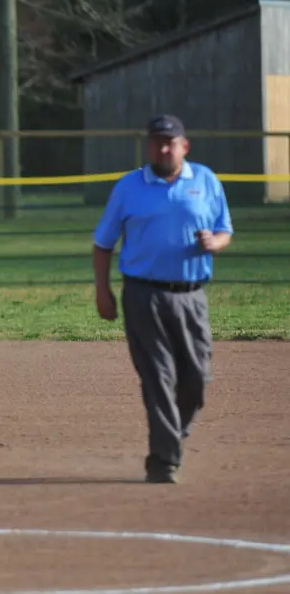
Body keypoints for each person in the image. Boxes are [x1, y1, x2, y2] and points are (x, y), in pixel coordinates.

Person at [92, 114, 233, 483]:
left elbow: (224, 230)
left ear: (184, 146)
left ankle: (172, 433)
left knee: (196, 378)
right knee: (158, 377)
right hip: (144, 295)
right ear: (149, 146)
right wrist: (102, 291)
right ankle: (164, 460)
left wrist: (214, 242)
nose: (163, 149)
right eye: (157, 142)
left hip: (192, 296)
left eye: (170, 143)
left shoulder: (205, 180)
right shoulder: (129, 187)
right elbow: (103, 243)